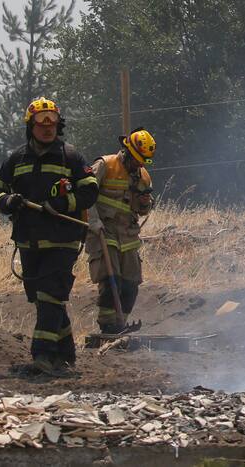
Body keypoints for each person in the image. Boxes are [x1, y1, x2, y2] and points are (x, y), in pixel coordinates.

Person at [0, 97, 99, 375]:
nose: (48, 127)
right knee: (42, 297)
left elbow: (89, 190)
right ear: (31, 126)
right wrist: (8, 201)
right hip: (29, 240)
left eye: (52, 122)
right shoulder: (17, 158)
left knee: (50, 294)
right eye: (41, 122)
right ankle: (66, 353)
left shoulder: (71, 156)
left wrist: (62, 204)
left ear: (58, 125)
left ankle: (42, 356)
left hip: (63, 240)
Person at [85, 128, 156, 334]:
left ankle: (121, 323)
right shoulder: (105, 165)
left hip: (128, 236)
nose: (139, 164)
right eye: (136, 159)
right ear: (126, 151)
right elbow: (86, 195)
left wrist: (144, 202)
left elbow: (142, 211)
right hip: (103, 231)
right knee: (110, 279)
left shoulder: (143, 175)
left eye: (143, 161)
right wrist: (93, 222)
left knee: (131, 282)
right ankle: (108, 327)